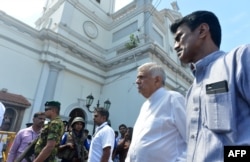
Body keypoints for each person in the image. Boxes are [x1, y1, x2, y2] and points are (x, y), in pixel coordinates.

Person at [169, 10, 250, 161]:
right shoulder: (191, 91)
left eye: (179, 37)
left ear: (202, 31)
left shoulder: (240, 59)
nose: (175, 46)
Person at [125, 62, 186, 162]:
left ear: (157, 80)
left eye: (141, 77)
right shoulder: (144, 106)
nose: (137, 81)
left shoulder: (173, 99)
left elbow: (194, 139)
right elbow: (137, 142)